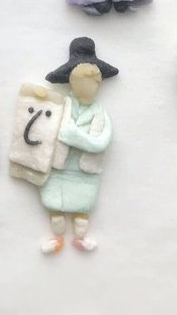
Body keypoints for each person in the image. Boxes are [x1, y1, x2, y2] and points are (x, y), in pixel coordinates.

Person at [40, 37, 118, 253]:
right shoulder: (61, 106)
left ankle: (80, 237)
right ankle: (57, 238)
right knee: (54, 202)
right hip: (59, 167)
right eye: (81, 83)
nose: (87, 88)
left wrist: (75, 137)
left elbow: (101, 142)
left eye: (92, 83)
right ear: (71, 83)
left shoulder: (100, 113)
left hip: (85, 171)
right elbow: (49, 129)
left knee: (83, 206)